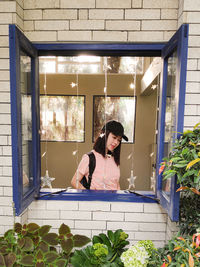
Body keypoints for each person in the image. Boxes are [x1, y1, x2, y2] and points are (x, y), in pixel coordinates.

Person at [71, 120, 128, 190]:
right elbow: (74, 181)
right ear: (105, 135)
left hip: (114, 200)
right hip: (95, 200)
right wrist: (88, 195)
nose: (116, 142)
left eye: (119, 140)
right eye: (114, 137)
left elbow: (115, 183)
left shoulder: (114, 159)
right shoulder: (89, 158)